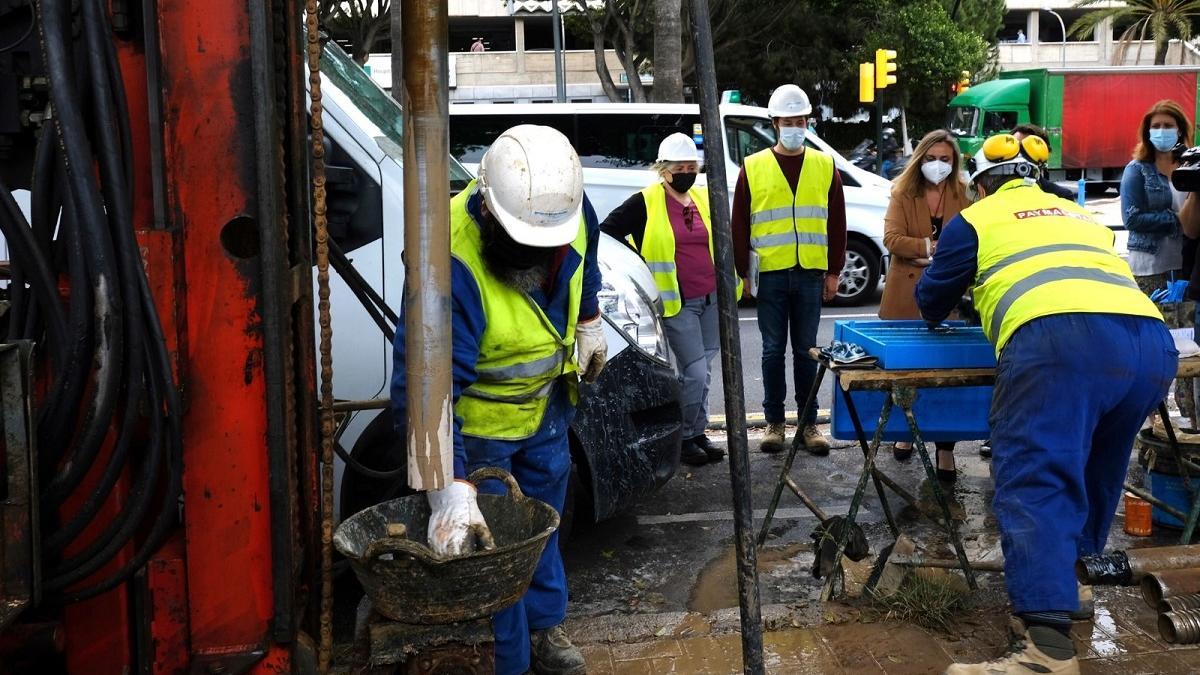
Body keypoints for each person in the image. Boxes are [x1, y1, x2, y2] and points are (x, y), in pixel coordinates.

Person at [916, 133, 1176, 674]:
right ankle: (1067, 586)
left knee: (1037, 476)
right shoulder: (1080, 216)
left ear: (981, 183)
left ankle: (1047, 651)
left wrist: (968, 295)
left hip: (1059, 345)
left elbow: (931, 301)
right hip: (1149, 347)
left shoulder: (978, 219)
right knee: (1096, 471)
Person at [391, 125, 603, 675]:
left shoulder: (569, 215)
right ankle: (508, 661)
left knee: (543, 528)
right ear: (486, 209)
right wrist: (450, 487)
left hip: (546, 413)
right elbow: (421, 392)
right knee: (495, 556)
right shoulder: (450, 264)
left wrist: (588, 320)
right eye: (519, 244)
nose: (532, 254)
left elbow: (588, 267)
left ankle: (545, 628)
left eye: (543, 245)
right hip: (479, 431)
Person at [600, 133, 737, 466]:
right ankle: (686, 437)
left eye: (692, 166)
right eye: (680, 167)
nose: (687, 172)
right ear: (663, 169)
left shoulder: (702, 199)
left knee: (702, 370)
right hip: (678, 302)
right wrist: (638, 263)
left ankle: (698, 431)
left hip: (710, 298)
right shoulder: (645, 202)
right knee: (694, 372)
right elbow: (606, 231)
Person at [732, 83, 846, 455]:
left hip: (811, 274)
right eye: (787, 121)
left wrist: (833, 271)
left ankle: (809, 424)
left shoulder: (824, 165)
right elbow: (739, 225)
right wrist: (743, 273)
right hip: (772, 275)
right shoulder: (754, 167)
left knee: (806, 352)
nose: (795, 126)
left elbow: (836, 224)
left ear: (807, 121)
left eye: (800, 120)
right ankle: (775, 423)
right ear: (774, 123)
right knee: (771, 351)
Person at [878, 129, 971, 477]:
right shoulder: (903, 192)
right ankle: (905, 435)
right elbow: (892, 239)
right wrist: (932, 250)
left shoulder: (965, 195)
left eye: (945, 159)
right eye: (931, 159)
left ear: (954, 161)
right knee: (908, 373)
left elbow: (974, 239)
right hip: (905, 297)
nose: (937, 165)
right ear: (920, 159)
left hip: (950, 294)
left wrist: (922, 253)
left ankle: (945, 449)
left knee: (947, 375)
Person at [1121, 99, 1200, 428]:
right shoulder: (1136, 169)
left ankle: (1191, 415)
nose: (1162, 131)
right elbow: (1131, 217)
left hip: (1184, 268)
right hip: (1150, 267)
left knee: (1186, 342)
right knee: (1153, 343)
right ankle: (1152, 414)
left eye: (1169, 125)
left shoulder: (1192, 164)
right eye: (1156, 126)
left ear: (1181, 129)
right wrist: (1176, 221)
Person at [1010, 123, 1076, 201]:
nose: (1020, 154)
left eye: (1029, 149)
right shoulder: (993, 191)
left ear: (1046, 153)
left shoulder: (1062, 196)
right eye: (1015, 146)